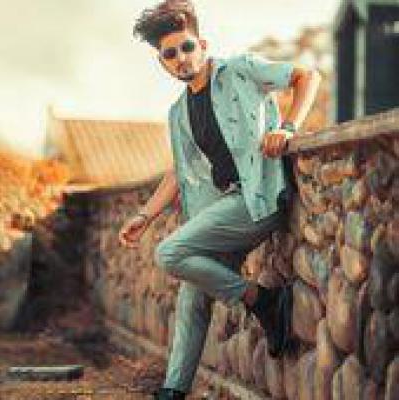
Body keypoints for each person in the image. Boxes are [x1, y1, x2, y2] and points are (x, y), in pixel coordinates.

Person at [119, 1, 321, 398]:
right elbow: (178, 172)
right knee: (192, 299)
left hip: (259, 197)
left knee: (169, 253)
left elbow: (307, 76)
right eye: (170, 54)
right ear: (162, 63)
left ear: (202, 45)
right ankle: (173, 391)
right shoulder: (179, 113)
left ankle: (262, 301)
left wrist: (288, 128)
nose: (181, 58)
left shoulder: (240, 70)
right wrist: (145, 215)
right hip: (224, 207)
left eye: (186, 47)